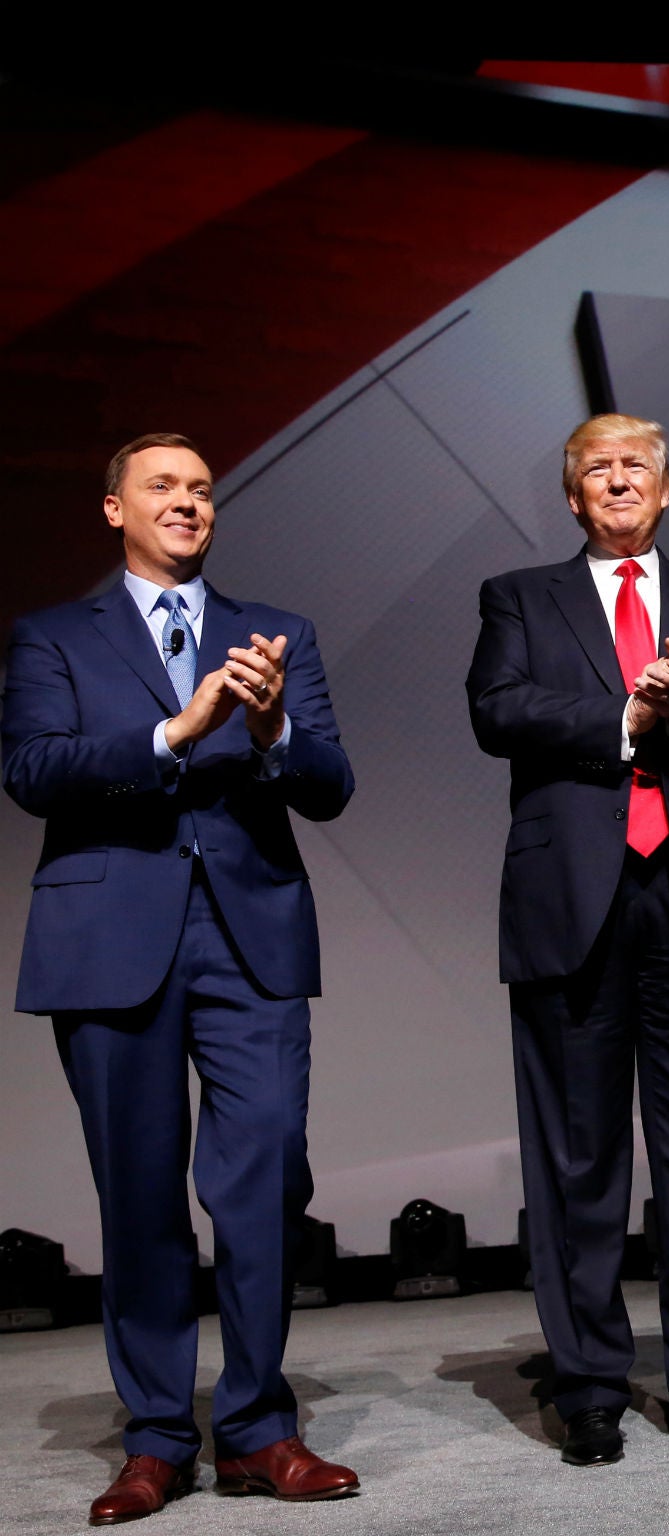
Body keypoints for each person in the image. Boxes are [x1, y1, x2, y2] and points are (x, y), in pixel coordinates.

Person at [3, 434, 358, 1524]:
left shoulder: (279, 635)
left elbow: (331, 784)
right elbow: (34, 769)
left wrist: (271, 728)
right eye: (163, 486)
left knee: (262, 1185)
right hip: (110, 942)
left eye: (203, 490)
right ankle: (157, 1436)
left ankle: (257, 1428)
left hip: (250, 940)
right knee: (142, 1197)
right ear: (115, 508)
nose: (188, 503)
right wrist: (172, 731)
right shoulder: (53, 635)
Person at [466, 413, 669, 1466]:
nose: (616, 481)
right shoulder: (519, 596)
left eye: (635, 466)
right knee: (578, 1162)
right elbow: (497, 709)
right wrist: (623, 725)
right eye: (596, 468)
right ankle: (592, 1388)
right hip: (572, 902)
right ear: (572, 497)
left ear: (664, 490)